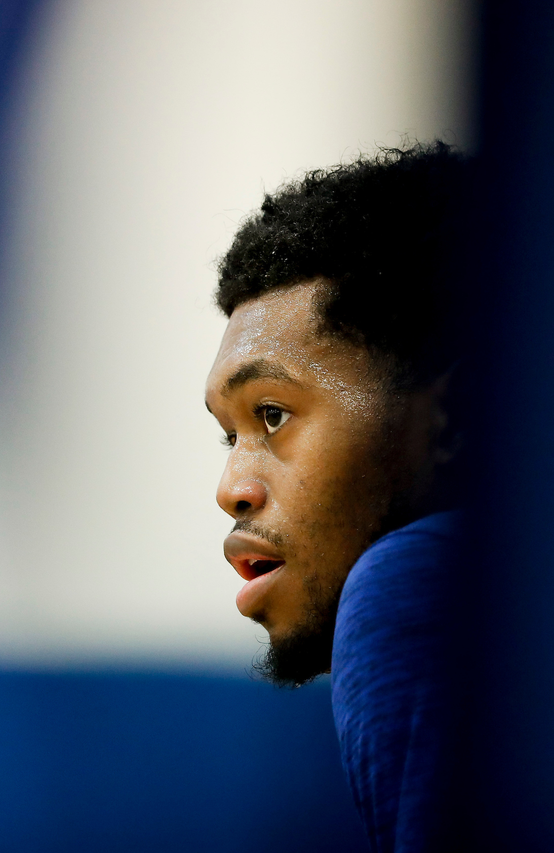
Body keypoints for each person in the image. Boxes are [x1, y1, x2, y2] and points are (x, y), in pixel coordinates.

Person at [203, 143, 474, 852]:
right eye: (229, 434)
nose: (231, 490)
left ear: (454, 418)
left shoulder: (412, 583)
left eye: (271, 414)